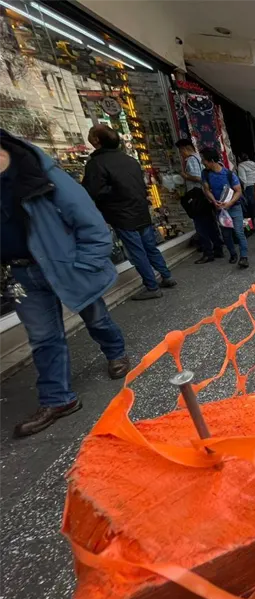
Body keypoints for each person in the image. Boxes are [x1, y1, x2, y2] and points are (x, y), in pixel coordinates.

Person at [0, 129, 130, 437]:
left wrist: (86, 263)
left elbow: (89, 219)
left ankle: (116, 352)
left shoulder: (34, 167)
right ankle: (58, 400)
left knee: (95, 317)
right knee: (44, 337)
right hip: (21, 273)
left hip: (65, 265)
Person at [83, 125, 176, 300]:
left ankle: (151, 286)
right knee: (149, 247)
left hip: (122, 214)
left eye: (90, 134)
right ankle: (166, 275)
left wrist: (110, 198)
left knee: (137, 251)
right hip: (140, 210)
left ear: (96, 140)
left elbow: (93, 191)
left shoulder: (96, 164)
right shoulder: (130, 160)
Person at [176, 138, 224, 264]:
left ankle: (208, 252)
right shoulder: (199, 158)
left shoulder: (192, 159)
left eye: (181, 151)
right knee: (210, 224)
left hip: (197, 197)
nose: (181, 154)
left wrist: (186, 176)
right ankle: (218, 248)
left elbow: (199, 178)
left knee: (201, 227)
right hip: (205, 197)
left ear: (185, 148)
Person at [200, 148, 249, 268]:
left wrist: (230, 203)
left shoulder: (229, 174)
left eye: (204, 160)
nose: (202, 162)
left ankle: (244, 257)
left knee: (239, 232)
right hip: (220, 210)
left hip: (234, 207)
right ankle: (233, 253)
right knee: (226, 235)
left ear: (211, 160)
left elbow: (238, 191)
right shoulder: (205, 174)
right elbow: (206, 190)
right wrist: (214, 201)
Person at [236, 153, 255, 226]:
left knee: (252, 207)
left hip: (249, 187)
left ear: (240, 159)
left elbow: (243, 179)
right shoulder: (254, 163)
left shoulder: (241, 166)